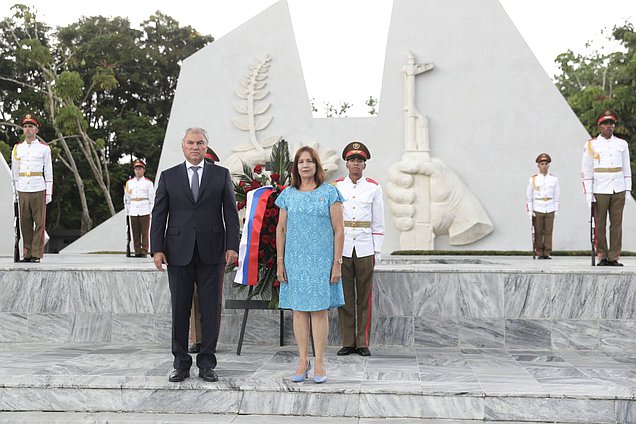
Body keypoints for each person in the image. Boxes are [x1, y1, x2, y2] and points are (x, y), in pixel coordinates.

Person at [150, 128, 239, 382]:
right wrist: (157, 248)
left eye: (200, 143)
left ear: (206, 146)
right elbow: (159, 215)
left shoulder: (220, 175)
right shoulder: (169, 177)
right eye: (190, 142)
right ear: (183, 146)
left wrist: (232, 245)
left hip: (213, 252)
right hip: (177, 253)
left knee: (211, 309)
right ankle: (181, 363)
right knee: (180, 309)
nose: (195, 147)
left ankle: (207, 363)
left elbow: (231, 215)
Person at [275, 146, 345, 384]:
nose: (305, 165)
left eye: (309, 161)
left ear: (317, 165)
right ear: (295, 167)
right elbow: (281, 229)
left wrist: (337, 263)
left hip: (321, 261)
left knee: (318, 310)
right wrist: (279, 262)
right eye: (300, 162)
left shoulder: (330, 193)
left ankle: (319, 362)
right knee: (299, 311)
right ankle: (302, 360)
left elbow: (339, 231)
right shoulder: (288, 194)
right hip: (295, 261)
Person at [333, 141, 384, 357]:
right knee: (344, 296)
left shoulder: (373, 187)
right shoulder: (336, 187)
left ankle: (362, 342)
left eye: (360, 161)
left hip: (364, 247)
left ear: (364, 165)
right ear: (346, 163)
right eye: (352, 160)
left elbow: (379, 222)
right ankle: (347, 341)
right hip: (343, 248)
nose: (356, 164)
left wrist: (377, 251)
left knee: (364, 296)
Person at [581, 110, 632, 266]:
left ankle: (614, 256)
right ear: (599, 126)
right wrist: (588, 193)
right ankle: (602, 255)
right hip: (600, 188)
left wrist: (628, 189)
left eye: (611, 123)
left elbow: (626, 167)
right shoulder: (591, 145)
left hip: (618, 188)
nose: (609, 126)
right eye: (605, 123)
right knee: (600, 224)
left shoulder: (622, 144)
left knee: (616, 224)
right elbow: (586, 170)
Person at [189, 147, 220, 354]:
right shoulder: (184, 180)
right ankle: (197, 339)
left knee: (211, 300)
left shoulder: (218, 181)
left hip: (212, 249)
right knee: (192, 300)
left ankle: (210, 341)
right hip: (187, 250)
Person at [11, 114, 53, 263]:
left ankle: (36, 254)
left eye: (30, 127)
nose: (28, 129)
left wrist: (48, 192)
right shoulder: (17, 148)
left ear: (36, 130)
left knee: (39, 223)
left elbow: (48, 171)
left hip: (38, 187)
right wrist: (15, 191)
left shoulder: (44, 149)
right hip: (22, 187)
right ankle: (27, 253)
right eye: (25, 127)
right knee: (25, 223)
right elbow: (14, 173)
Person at [526, 153, 560, 259]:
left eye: (546, 164)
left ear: (548, 165)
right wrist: (530, 211)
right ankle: (539, 252)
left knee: (549, 231)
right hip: (538, 207)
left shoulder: (554, 179)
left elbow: (557, 196)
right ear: (538, 166)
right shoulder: (533, 179)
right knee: (539, 231)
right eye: (542, 164)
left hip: (549, 207)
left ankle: (547, 252)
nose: (544, 166)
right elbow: (529, 197)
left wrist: (556, 209)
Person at [124, 160, 155, 258]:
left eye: (140, 169)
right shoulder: (129, 183)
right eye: (136, 169)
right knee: (135, 232)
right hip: (133, 209)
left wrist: (151, 210)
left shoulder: (148, 183)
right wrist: (127, 210)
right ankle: (137, 251)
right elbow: (127, 198)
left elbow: (152, 198)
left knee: (144, 232)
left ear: (143, 170)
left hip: (144, 208)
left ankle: (144, 251)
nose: (138, 171)